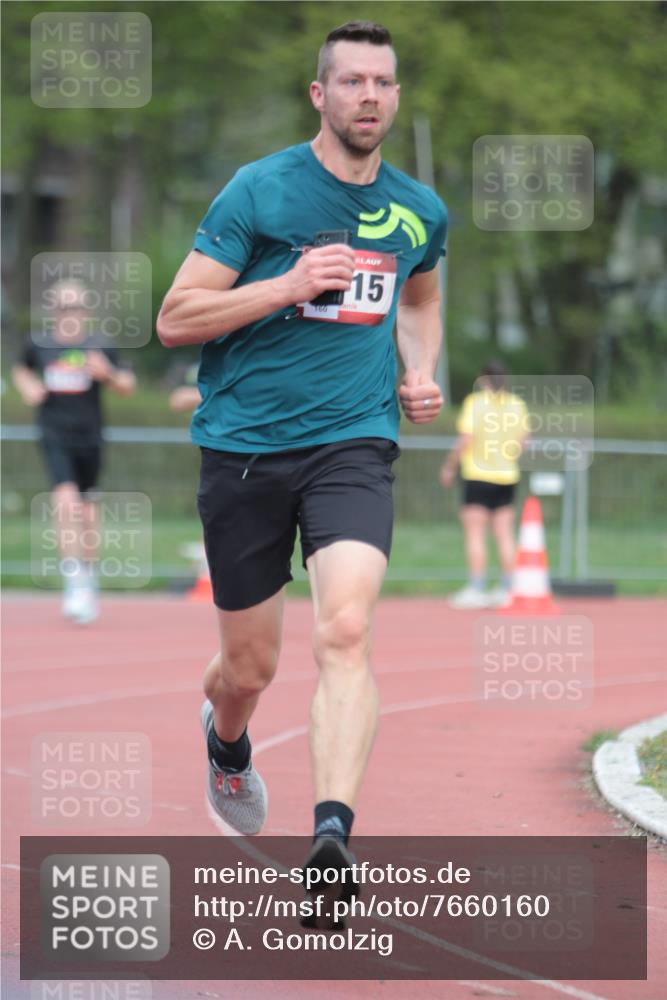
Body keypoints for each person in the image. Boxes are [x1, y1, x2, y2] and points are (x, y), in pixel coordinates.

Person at [157, 20, 447, 888]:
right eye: (352, 82)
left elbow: (420, 295)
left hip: (352, 444)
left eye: (383, 83)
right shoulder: (260, 191)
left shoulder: (417, 209)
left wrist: (420, 369)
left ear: (396, 96)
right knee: (250, 668)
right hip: (243, 449)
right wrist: (286, 285)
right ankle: (227, 739)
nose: (370, 96)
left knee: (346, 630)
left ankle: (331, 841)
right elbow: (175, 317)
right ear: (319, 95)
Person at [12, 279, 136, 624]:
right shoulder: (39, 343)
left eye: (75, 307)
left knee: (87, 513)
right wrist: (28, 386)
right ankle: (74, 581)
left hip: (90, 438)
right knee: (64, 500)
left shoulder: (100, 346)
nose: (69, 314)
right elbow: (20, 369)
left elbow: (128, 386)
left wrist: (107, 373)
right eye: (63, 307)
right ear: (52, 311)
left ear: (86, 311)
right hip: (54, 435)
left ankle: (89, 578)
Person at [440, 361, 529, 608]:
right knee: (505, 535)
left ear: (483, 379)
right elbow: (524, 443)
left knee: (475, 534)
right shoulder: (517, 405)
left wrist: (449, 465)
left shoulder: (475, 403)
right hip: (507, 476)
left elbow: (465, 439)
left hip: (478, 474)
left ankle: (477, 588)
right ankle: (507, 588)